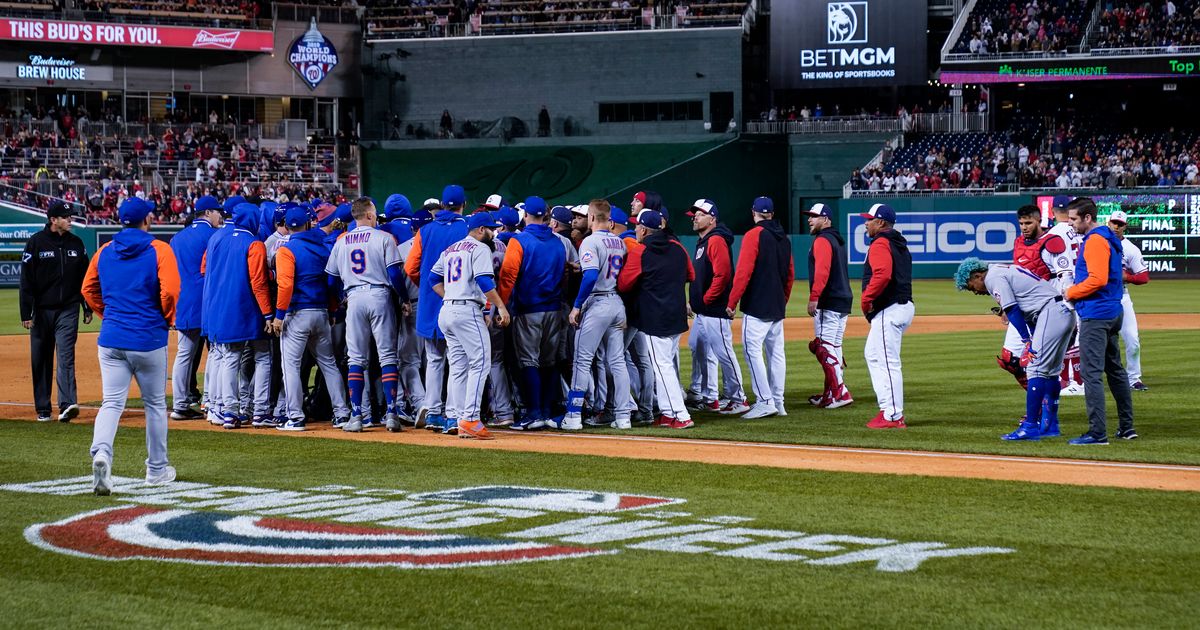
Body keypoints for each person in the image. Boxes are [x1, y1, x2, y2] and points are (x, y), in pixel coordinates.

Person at [80, 197, 180, 495]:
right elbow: (171, 291)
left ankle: (101, 454)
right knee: (155, 406)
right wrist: (166, 317)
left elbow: (88, 289)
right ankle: (157, 470)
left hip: (111, 338)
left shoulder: (104, 251)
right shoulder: (159, 249)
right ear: (146, 220)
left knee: (111, 403)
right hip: (148, 337)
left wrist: (106, 314)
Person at [956, 258, 1075, 440]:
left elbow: (1012, 310)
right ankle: (1051, 426)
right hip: (1062, 312)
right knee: (1050, 372)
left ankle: (1030, 427)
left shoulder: (993, 277)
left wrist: (1026, 340)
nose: (974, 292)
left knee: (1035, 370)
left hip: (1050, 313)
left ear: (978, 276)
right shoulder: (1003, 269)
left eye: (971, 286)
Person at [326, 197, 408, 433]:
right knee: (387, 357)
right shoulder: (383, 238)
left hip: (354, 298)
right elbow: (395, 273)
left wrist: (342, 295)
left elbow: (331, 279)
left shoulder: (341, 241)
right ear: (370, 215)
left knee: (356, 359)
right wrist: (402, 298)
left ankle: (357, 416)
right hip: (379, 295)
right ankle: (392, 413)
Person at [430, 212, 511, 439]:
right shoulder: (480, 248)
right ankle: (471, 419)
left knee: (458, 366)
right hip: (465, 311)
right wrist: (501, 307)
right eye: (490, 229)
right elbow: (485, 280)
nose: (493, 233)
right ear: (480, 229)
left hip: (447, 311)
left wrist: (451, 296)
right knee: (481, 362)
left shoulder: (451, 249)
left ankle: (456, 418)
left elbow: (432, 279)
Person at [269, 206, 350, 431]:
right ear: (308, 223)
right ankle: (342, 413)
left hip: (297, 315)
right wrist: (333, 310)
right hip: (321, 313)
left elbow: (285, 285)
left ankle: (295, 417)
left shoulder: (287, 250)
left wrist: (278, 316)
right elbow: (332, 283)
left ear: (287, 226)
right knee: (329, 364)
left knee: (291, 366)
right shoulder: (323, 248)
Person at [1063, 198, 1136, 445]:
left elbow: (1097, 279)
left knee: (1091, 374)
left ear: (1087, 218)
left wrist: (1071, 292)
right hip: (1113, 310)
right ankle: (1127, 428)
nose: (1070, 223)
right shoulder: (1110, 237)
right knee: (1115, 370)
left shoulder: (1095, 240)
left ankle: (1097, 433)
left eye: (1073, 218)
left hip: (1097, 313)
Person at [558, 200, 633, 430]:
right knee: (617, 362)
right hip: (616, 303)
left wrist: (577, 306)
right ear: (608, 219)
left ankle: (573, 417)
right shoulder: (618, 242)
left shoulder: (590, 241)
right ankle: (623, 417)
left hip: (597, 303)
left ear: (591, 217)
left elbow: (591, 277)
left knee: (582, 361)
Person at [497, 196, 568, 430]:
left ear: (526, 214)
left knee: (529, 361)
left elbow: (507, 277)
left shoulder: (520, 241)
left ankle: (534, 413)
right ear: (545, 216)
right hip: (554, 309)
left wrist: (502, 305)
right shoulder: (559, 242)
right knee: (549, 361)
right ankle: (547, 411)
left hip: (529, 309)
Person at [619, 209, 695, 428]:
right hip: (676, 315)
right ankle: (668, 412)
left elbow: (624, 283)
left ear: (644, 229)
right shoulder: (678, 247)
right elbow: (691, 275)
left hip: (654, 317)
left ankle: (681, 415)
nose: (635, 229)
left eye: (637, 226)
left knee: (662, 367)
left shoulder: (640, 251)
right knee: (665, 364)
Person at [202, 202, 274, 430]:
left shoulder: (216, 238)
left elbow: (206, 271)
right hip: (247, 308)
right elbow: (259, 282)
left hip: (218, 307)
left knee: (227, 358)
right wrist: (268, 313)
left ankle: (223, 409)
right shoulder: (254, 243)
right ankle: (260, 411)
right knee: (262, 356)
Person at [19, 201, 91, 423]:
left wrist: (86, 306)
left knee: (65, 356)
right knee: (41, 359)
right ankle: (43, 408)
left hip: (68, 309)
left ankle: (67, 404)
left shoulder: (77, 244)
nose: (70, 220)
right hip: (41, 311)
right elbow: (26, 280)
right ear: (53, 220)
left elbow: (85, 279)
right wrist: (26, 312)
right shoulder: (36, 243)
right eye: (66, 217)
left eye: (70, 217)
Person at [405, 186, 469, 431]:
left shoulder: (426, 230)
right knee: (457, 361)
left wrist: (426, 288)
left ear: (442, 204)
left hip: (431, 302)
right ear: (463, 204)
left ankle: (433, 412)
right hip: (459, 300)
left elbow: (411, 267)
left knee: (433, 360)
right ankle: (453, 414)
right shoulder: (467, 228)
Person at [727, 196, 794, 420]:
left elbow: (744, 271)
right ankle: (778, 401)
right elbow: (790, 274)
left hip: (757, 304)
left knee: (752, 350)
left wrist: (732, 301)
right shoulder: (784, 238)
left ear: (753, 213)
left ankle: (765, 401)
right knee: (776, 354)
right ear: (772, 214)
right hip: (776, 304)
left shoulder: (754, 234)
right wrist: (782, 299)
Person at [997, 204, 1072, 390]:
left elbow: (1065, 276)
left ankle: (1043, 409)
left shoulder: (1052, 242)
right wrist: (1006, 306)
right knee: (1010, 359)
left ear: (1039, 220)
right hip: (1024, 307)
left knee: (1039, 364)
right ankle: (1037, 404)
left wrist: (1068, 306)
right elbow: (1014, 276)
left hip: (1048, 307)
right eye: (1021, 223)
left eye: (1028, 223)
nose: (1024, 227)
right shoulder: (1018, 243)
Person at [685, 198, 747, 415]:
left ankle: (739, 398)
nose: (695, 217)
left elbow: (723, 275)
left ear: (712, 218)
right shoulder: (704, 241)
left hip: (714, 310)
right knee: (697, 347)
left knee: (724, 353)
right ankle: (709, 396)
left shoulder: (716, 240)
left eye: (700, 214)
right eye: (694, 214)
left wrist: (708, 299)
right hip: (703, 312)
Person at [859, 203, 914, 429]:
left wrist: (866, 299)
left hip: (889, 308)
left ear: (880, 222)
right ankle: (886, 407)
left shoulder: (881, 242)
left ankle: (893, 415)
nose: (866, 223)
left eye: (870, 219)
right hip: (901, 306)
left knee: (888, 362)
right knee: (872, 354)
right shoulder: (898, 243)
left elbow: (882, 274)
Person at [168, 195, 223, 421]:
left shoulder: (177, 238)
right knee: (217, 354)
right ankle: (210, 401)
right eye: (218, 211)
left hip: (184, 303)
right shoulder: (215, 235)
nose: (221, 215)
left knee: (184, 355)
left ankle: (179, 405)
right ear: (207, 213)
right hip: (209, 303)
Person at [804, 202, 853, 409]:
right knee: (833, 348)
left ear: (825, 219)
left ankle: (840, 392)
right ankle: (830, 394)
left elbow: (822, 271)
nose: (809, 219)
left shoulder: (823, 240)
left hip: (829, 301)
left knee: (824, 348)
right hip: (843, 300)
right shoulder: (837, 239)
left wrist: (815, 296)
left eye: (814, 216)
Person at [1046, 196, 1086, 395]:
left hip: (1061, 282)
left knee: (1065, 333)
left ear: (1052, 211)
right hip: (1082, 283)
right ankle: (1072, 380)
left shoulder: (1052, 234)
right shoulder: (1080, 230)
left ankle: (1074, 381)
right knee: (1076, 332)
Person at [1107, 211, 1150, 391]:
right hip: (1098, 297)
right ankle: (1079, 379)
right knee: (1086, 342)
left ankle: (1134, 378)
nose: (1116, 227)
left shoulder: (1131, 249)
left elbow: (1144, 277)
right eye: (1114, 223)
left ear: (1125, 226)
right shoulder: (1097, 242)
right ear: (1108, 223)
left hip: (1121, 297)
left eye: (1120, 224)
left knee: (1132, 339)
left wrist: (1128, 277)